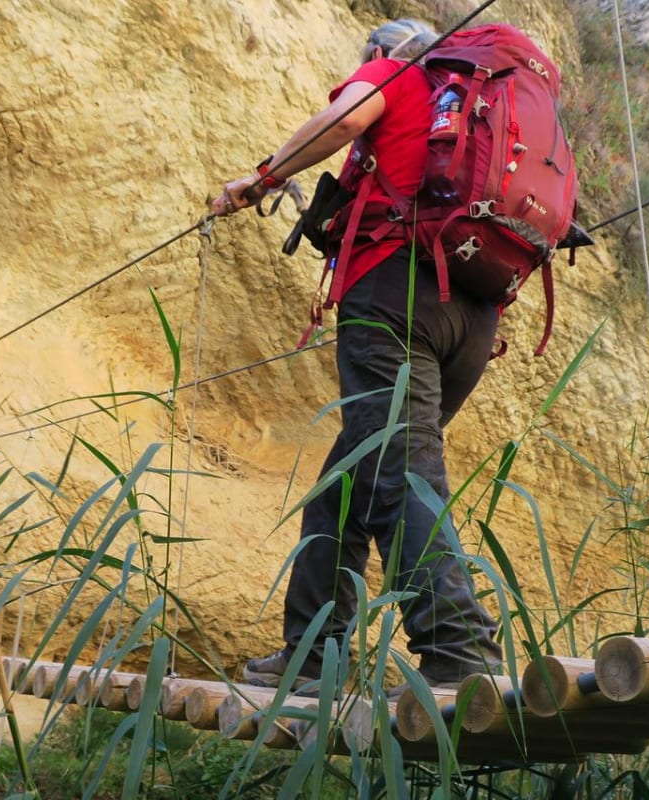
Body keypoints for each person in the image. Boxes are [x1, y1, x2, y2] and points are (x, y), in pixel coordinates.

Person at [210, 18, 504, 693]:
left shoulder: (399, 71)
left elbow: (342, 122)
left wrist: (262, 179)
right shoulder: (477, 107)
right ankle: (316, 654)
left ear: (378, 51)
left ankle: (461, 649)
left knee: (399, 474)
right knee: (348, 481)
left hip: (395, 295)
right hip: (474, 316)